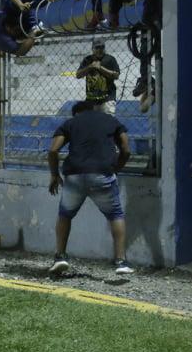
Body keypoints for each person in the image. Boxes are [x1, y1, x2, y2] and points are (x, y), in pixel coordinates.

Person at [47, 100, 132, 275]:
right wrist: (117, 167)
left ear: (76, 113)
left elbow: (53, 150)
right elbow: (126, 149)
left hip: (74, 176)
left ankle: (60, 257)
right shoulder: (110, 120)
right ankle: (121, 261)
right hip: (102, 175)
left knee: (65, 214)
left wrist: (55, 175)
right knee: (115, 215)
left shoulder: (70, 123)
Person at [104, 0, 163, 98]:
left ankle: (163, 79)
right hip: (149, 1)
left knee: (159, 39)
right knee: (145, 39)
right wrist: (113, 13)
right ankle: (145, 78)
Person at [76, 38, 120, 115]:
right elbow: (78, 75)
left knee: (108, 121)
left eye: (102, 47)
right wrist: (90, 67)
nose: (99, 50)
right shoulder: (87, 60)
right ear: (92, 49)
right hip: (91, 99)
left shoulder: (110, 59)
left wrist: (100, 68)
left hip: (108, 98)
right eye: (97, 47)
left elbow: (116, 75)